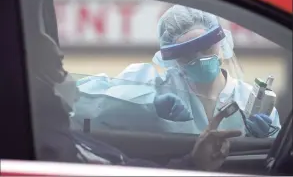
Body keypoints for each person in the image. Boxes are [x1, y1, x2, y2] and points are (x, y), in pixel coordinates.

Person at [33, 32, 242, 171]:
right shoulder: (55, 148)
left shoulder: (71, 139)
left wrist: (192, 162)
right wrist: (148, 104)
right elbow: (90, 99)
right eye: (59, 67)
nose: (67, 76)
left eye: (207, 49)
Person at [72, 5, 280, 138]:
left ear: (221, 44)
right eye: (187, 55)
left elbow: (279, 158)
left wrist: (266, 137)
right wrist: (144, 104)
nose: (199, 59)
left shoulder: (253, 101)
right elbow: (78, 99)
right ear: (173, 60)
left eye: (207, 48)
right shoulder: (155, 86)